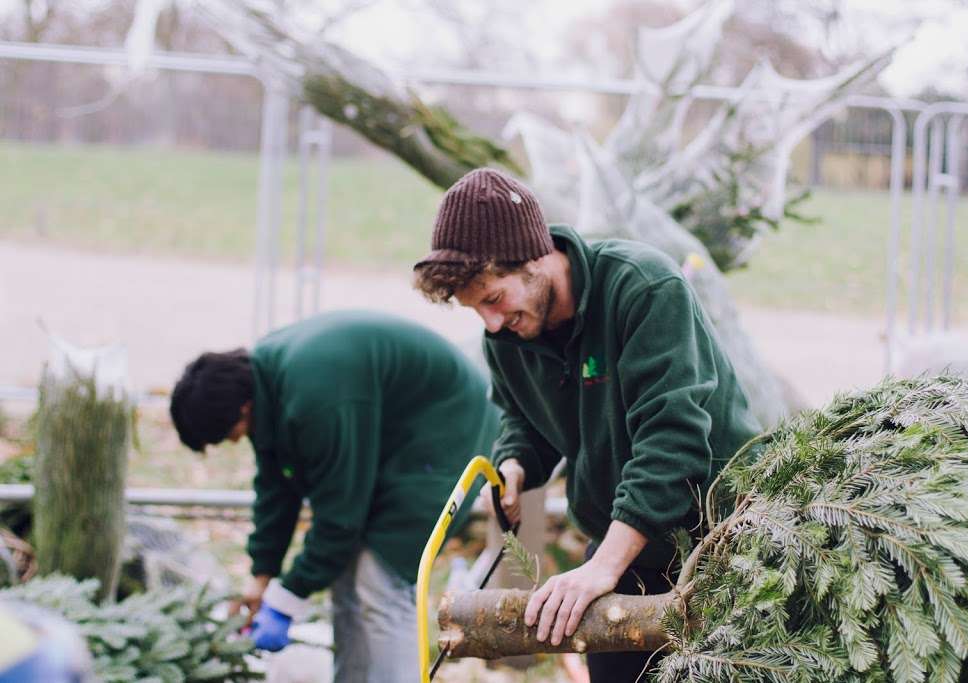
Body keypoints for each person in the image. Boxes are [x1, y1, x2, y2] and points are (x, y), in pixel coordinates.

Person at [412, 168, 761, 682]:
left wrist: (602, 568)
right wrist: (514, 464)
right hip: (620, 544)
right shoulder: (508, 336)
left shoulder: (642, 289)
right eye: (475, 310)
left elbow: (673, 439)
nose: (489, 323)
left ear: (534, 256)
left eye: (493, 298)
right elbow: (524, 416)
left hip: (716, 542)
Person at [169, 310, 500, 683]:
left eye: (229, 435)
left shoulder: (317, 396)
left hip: (446, 436)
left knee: (380, 583)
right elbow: (276, 488)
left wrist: (287, 599)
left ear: (242, 409)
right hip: (391, 442)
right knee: (345, 579)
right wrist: (262, 579)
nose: (233, 441)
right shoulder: (264, 381)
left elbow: (341, 517)